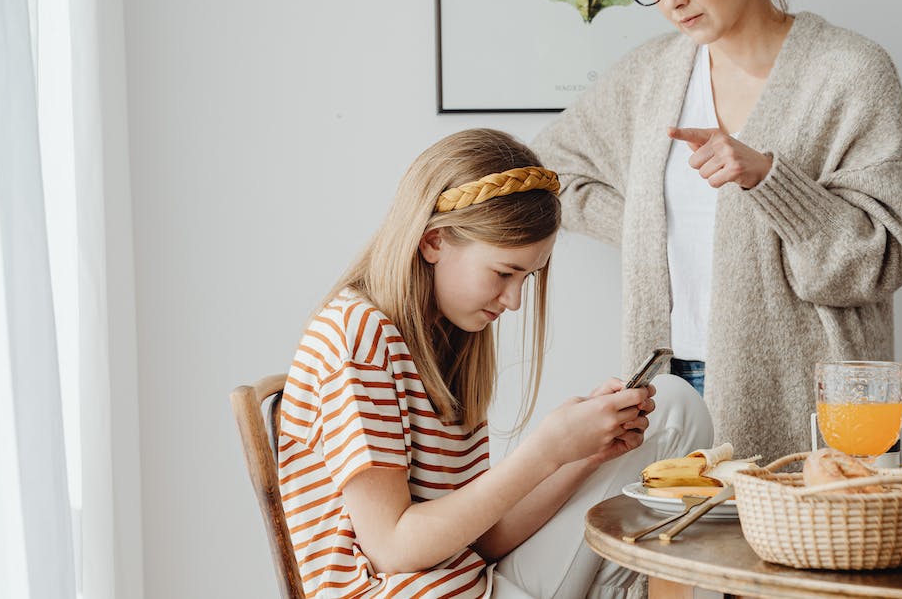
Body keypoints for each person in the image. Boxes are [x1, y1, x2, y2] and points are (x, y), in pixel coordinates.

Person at [277, 128, 713, 599]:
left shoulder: (448, 339)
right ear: (433, 241)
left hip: (471, 581)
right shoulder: (358, 335)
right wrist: (546, 450)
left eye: (527, 276)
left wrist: (583, 456)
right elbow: (392, 550)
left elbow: (480, 541)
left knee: (673, 405)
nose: (514, 301)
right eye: (504, 273)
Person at [532, 0, 902, 464]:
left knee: (800, 538)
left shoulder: (850, 71)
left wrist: (768, 180)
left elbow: (878, 260)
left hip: (802, 388)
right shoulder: (653, 74)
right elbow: (548, 171)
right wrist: (650, 231)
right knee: (668, 539)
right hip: (670, 386)